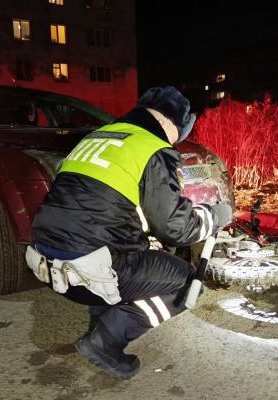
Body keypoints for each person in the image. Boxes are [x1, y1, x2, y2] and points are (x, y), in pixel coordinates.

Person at [30, 86, 232, 379]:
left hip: (47, 263)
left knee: (126, 248)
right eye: (180, 131)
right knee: (188, 282)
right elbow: (176, 229)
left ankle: (100, 325)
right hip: (91, 273)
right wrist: (214, 216)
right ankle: (104, 341)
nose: (178, 140)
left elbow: (105, 205)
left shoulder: (97, 138)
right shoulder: (152, 147)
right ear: (168, 122)